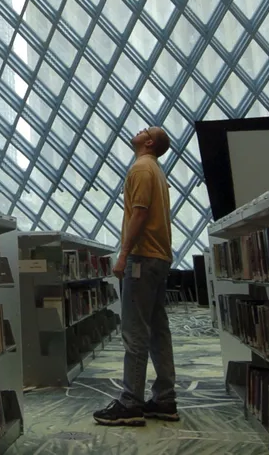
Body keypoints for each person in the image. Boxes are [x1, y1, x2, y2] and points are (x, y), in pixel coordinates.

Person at [93, 126, 178, 427]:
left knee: (135, 331)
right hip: (159, 258)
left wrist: (124, 254)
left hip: (142, 259)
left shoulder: (141, 168)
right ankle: (165, 399)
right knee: (158, 330)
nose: (140, 130)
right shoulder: (156, 171)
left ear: (149, 142)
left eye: (145, 130)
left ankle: (131, 403)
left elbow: (139, 213)